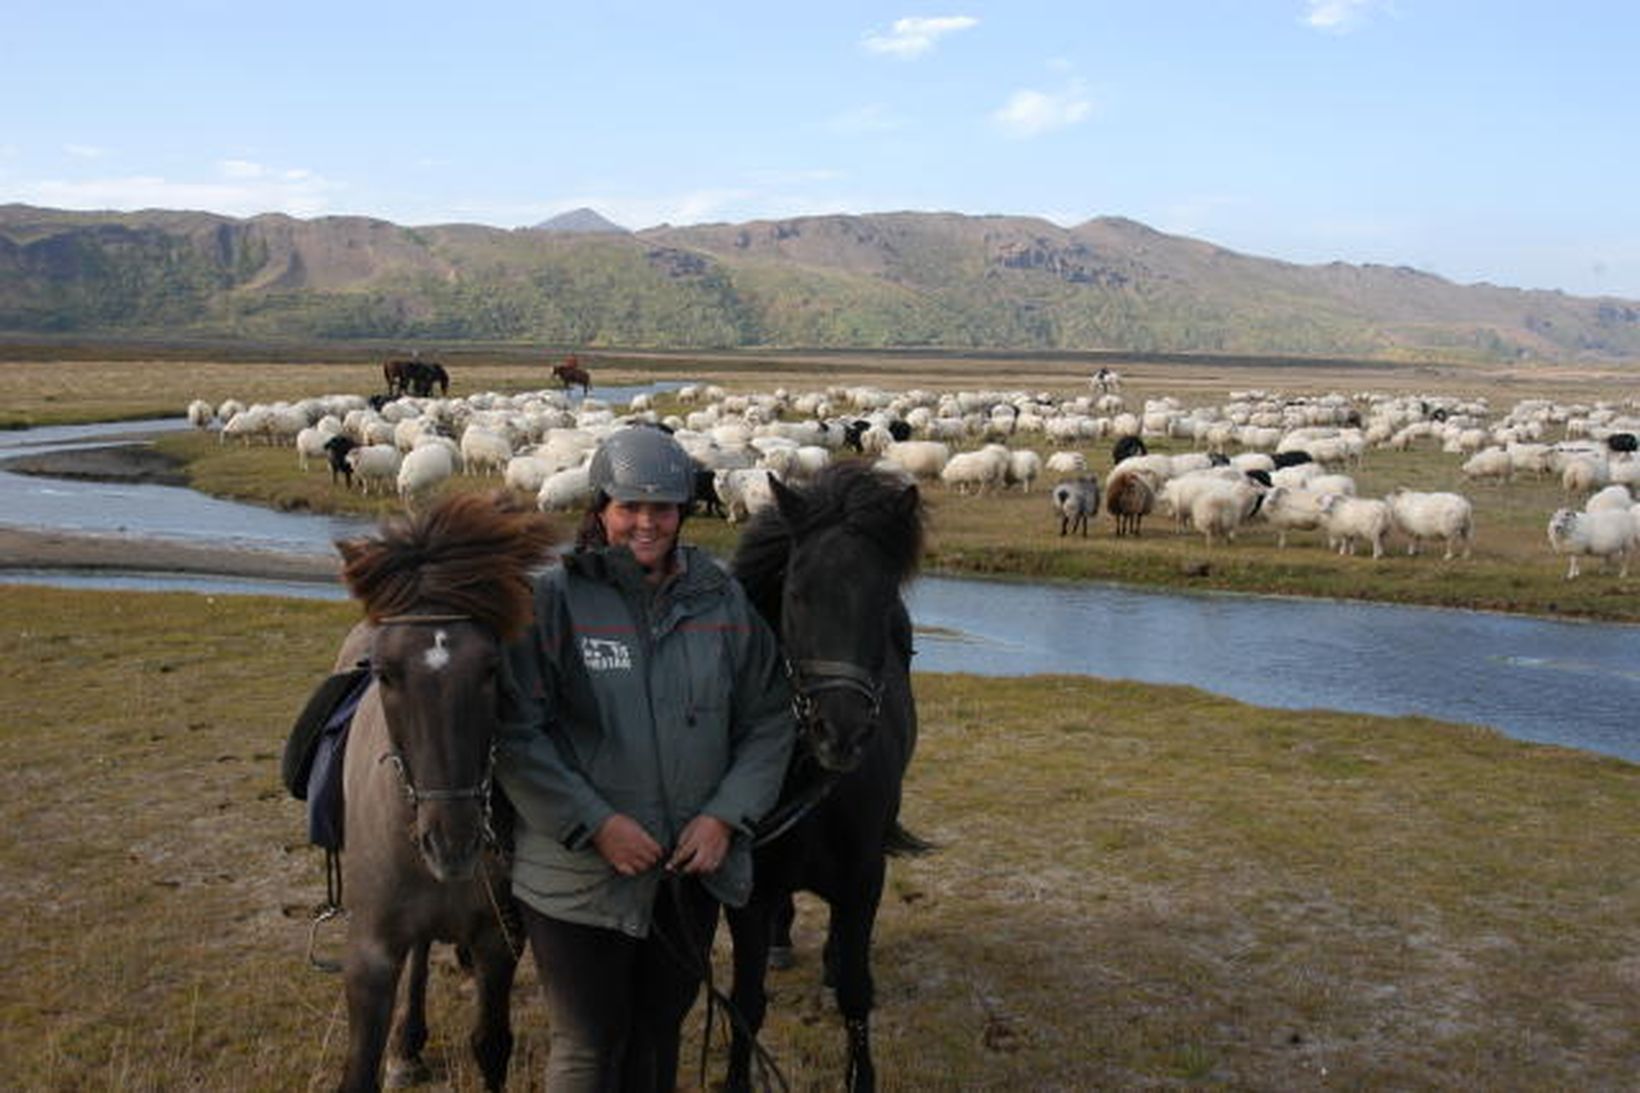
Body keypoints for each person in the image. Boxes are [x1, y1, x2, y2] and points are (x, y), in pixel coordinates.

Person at [497, 425, 796, 1092]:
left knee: (659, 1035)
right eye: (629, 506)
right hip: (575, 878)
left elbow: (770, 719)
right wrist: (596, 823)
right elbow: (517, 732)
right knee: (588, 1044)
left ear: (684, 512)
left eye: (662, 508)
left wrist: (723, 816)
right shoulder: (553, 600)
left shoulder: (721, 599)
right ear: (600, 508)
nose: (645, 522)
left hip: (687, 875)